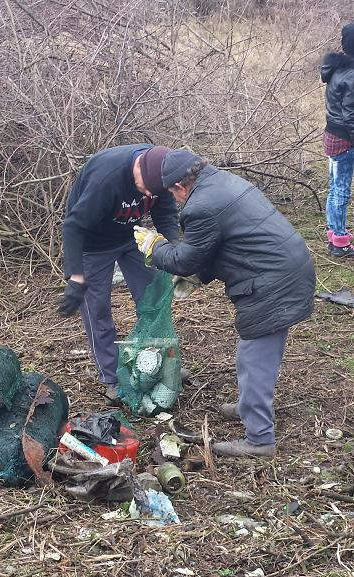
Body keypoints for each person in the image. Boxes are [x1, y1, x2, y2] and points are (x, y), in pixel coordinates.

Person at [134, 149, 316, 458]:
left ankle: (259, 439)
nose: (175, 201)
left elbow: (186, 257)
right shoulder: (222, 182)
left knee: (254, 358)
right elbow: (226, 243)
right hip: (287, 268)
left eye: (172, 195)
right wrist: (198, 275)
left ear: (179, 187)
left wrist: (156, 247)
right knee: (262, 353)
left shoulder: (200, 206)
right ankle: (249, 406)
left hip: (271, 282)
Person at [59, 145, 180, 403]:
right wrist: (76, 275)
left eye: (153, 192)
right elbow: (72, 226)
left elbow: (166, 214)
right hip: (92, 246)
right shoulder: (106, 177)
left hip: (133, 236)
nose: (148, 195)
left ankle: (157, 366)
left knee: (154, 299)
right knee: (98, 311)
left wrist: (172, 252)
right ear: (137, 168)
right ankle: (113, 378)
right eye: (144, 188)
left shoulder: (162, 173)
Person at [322, 22, 354, 257]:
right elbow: (351, 114)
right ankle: (339, 242)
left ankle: (333, 230)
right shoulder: (352, 74)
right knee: (341, 189)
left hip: (331, 134)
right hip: (344, 139)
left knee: (334, 186)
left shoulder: (338, 67)